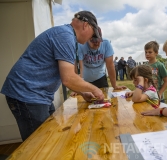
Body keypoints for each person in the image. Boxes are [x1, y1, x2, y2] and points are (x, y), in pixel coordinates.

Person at [0, 11, 105, 141]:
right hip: (27, 93)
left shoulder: (66, 35)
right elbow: (68, 79)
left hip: (36, 94)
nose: (91, 38)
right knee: (39, 145)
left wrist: (83, 92)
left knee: (50, 136)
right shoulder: (65, 36)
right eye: (93, 34)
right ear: (86, 25)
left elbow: (67, 75)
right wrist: (94, 89)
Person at [70, 27, 125, 97]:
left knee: (105, 101)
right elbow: (79, 68)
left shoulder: (106, 43)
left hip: (100, 78)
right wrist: (78, 88)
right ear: (87, 39)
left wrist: (114, 86)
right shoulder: (80, 45)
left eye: (98, 41)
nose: (96, 44)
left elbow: (110, 66)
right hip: (85, 80)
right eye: (93, 41)